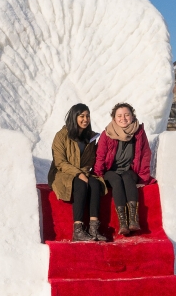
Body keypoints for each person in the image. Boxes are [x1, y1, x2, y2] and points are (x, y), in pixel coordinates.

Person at [48, 103, 106, 242]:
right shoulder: (61, 135)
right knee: (80, 183)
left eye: (87, 116)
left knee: (95, 183)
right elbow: (60, 162)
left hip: (82, 173)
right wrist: (79, 174)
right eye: (82, 116)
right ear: (74, 117)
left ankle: (93, 229)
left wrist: (84, 172)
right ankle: (78, 229)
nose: (85, 119)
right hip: (61, 173)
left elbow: (89, 161)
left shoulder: (90, 138)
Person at [95, 102, 152, 236]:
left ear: (132, 116)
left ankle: (133, 219)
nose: (123, 118)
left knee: (127, 177)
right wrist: (98, 176)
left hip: (129, 170)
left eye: (127, 115)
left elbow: (145, 154)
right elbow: (100, 156)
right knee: (116, 179)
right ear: (114, 118)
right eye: (119, 116)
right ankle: (123, 223)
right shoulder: (107, 134)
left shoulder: (139, 133)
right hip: (110, 172)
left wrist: (143, 178)